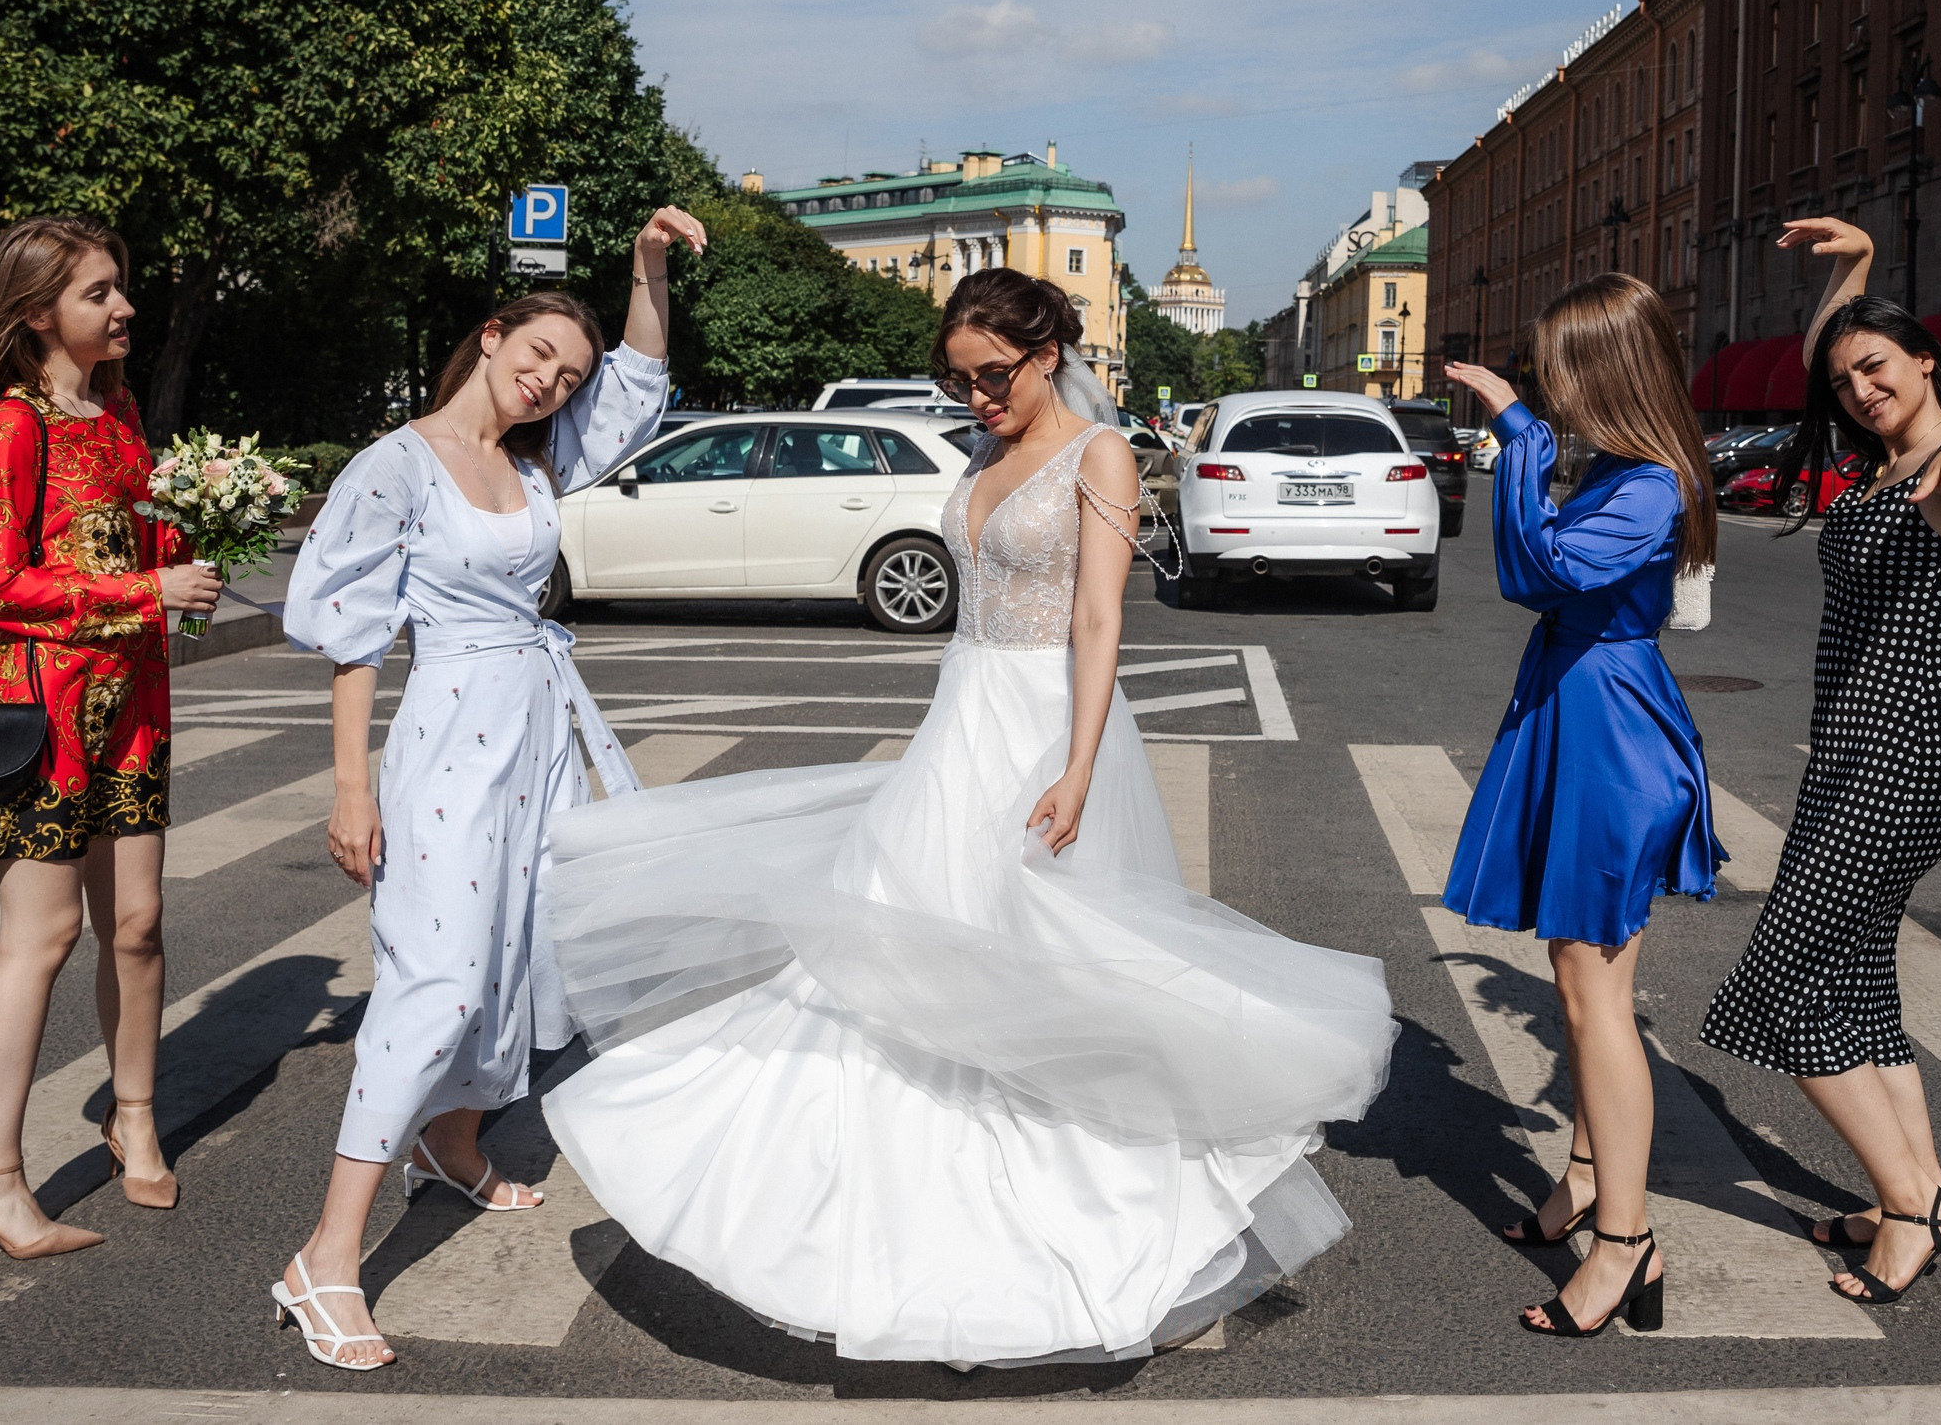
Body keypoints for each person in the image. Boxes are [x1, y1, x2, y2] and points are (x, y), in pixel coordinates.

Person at [540, 268, 1398, 1368]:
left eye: (993, 377)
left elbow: (1097, 620)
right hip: (960, 724)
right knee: (893, 953)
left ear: (1048, 356)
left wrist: (1079, 767)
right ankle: (889, 1224)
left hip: (1045, 725)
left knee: (1047, 975)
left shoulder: (1100, 454)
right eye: (959, 381)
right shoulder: (986, 455)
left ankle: (1134, 1232)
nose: (977, 398)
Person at [273, 208, 699, 1371]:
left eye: (565, 375)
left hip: (541, 730)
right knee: (439, 979)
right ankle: (327, 1255)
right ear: (489, 335)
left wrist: (646, 272)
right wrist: (351, 790)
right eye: (535, 360)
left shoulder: (532, 458)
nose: (550, 385)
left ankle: (450, 1144)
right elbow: (354, 639)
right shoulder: (396, 465)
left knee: (524, 952)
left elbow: (638, 385)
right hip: (451, 734)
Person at [1698, 215, 1941, 1307]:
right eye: (1847, 380)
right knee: (1859, 990)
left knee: (1781, 996)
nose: (1861, 388)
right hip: (1851, 765)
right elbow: (1829, 363)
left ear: (1928, 359)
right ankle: (1925, 1195)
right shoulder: (1877, 463)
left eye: (1879, 366)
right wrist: (1857, 273)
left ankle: (1907, 1207)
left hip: (1899, 766)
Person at [0, 216, 222, 1262]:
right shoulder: (10, 425)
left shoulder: (120, 408)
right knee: (42, 940)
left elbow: (131, 529)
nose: (124, 308)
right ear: (36, 311)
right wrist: (145, 587)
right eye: (100, 292)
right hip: (39, 713)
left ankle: (132, 1116)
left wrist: (194, 535)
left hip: (133, 707)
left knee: (137, 924)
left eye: (121, 287)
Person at [1439, 273, 1724, 1339]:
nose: (1546, 385)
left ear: (1605, 370)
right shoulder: (1618, 468)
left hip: (1608, 733)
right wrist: (1527, 435)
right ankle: (1586, 1184)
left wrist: (1514, 433)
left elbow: (1539, 570)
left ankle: (1628, 1244)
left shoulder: (1649, 481)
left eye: (1557, 368)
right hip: (1579, 712)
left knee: (1596, 996)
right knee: (1576, 984)